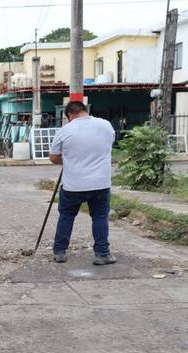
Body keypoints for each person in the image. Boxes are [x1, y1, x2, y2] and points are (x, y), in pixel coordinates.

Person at [48, 101, 116, 265]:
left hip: (73, 184)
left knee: (67, 216)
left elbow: (53, 157)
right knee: (100, 217)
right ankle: (102, 254)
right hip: (100, 183)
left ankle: (60, 252)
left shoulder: (65, 131)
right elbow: (108, 145)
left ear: (69, 115)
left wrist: (69, 160)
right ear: (85, 111)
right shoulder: (106, 125)